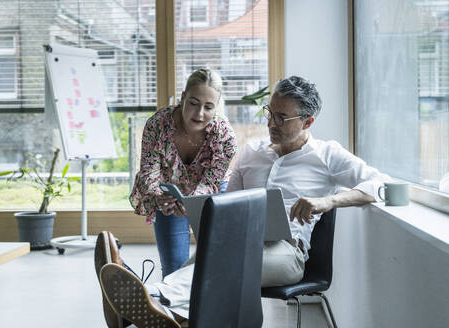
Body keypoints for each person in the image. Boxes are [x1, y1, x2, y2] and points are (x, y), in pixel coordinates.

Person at [96, 76, 391, 327]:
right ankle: (149, 310)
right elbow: (224, 204)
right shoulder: (251, 152)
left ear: (307, 121)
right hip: (232, 243)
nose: (270, 122)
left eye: (281, 117)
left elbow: (379, 184)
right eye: (269, 112)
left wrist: (327, 201)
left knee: (213, 268)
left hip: (286, 253)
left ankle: (148, 296)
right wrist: (196, 208)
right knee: (202, 268)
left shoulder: (327, 155)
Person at [129, 67, 237, 279]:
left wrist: (191, 203)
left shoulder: (225, 137)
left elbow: (210, 182)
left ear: (217, 107)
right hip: (169, 195)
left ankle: (208, 310)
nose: (199, 114)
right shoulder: (157, 125)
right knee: (174, 270)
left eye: (208, 107)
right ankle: (176, 311)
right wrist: (158, 197)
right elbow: (149, 171)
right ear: (183, 98)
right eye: (194, 103)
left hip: (210, 194)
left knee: (215, 264)